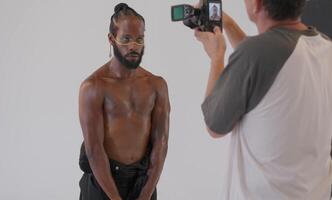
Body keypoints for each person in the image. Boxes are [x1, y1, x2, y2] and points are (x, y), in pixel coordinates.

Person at [195, 0, 332, 199]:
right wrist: (229, 24)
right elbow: (264, 70)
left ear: (257, 4)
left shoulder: (257, 53)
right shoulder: (325, 47)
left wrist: (216, 56)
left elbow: (214, 125)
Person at [78, 3, 170, 200]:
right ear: (111, 39)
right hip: (103, 181)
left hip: (142, 181)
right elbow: (94, 150)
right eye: (126, 39)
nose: (133, 46)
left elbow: (161, 143)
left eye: (139, 39)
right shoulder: (93, 87)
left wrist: (145, 194)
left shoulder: (156, 85)